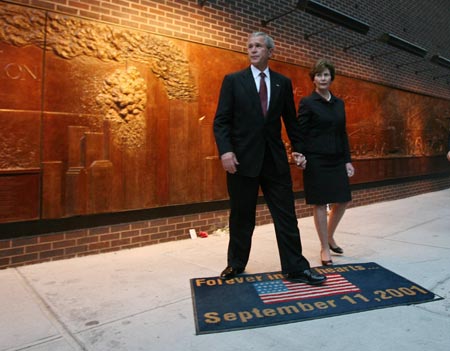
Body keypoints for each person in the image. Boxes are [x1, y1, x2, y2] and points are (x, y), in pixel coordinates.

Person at [213, 32, 326, 285]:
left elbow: (291, 121)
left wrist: (298, 149)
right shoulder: (233, 81)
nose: (252, 50)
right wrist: (226, 151)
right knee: (242, 216)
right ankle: (236, 264)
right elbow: (221, 121)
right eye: (250, 46)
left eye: (258, 46)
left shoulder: (282, 83)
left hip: (274, 161)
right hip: (241, 162)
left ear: (270, 52)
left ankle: (296, 267)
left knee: (286, 215)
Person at [297, 59, 354, 266]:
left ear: (331, 78)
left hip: (337, 159)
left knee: (344, 200)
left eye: (326, 75)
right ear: (314, 79)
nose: (323, 78)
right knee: (320, 203)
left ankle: (329, 236)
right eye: (319, 75)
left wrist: (348, 160)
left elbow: (342, 133)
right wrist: (300, 154)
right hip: (316, 159)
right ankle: (324, 247)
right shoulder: (307, 102)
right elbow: (301, 132)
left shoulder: (339, 104)